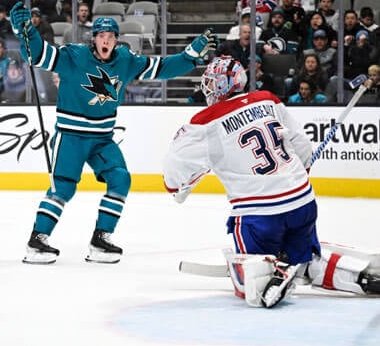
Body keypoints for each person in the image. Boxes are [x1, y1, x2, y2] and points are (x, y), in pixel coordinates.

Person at [162, 56, 380, 309]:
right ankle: (354, 276)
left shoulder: (204, 121)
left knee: (250, 286)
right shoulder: (267, 99)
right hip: (303, 204)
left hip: (259, 217)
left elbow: (173, 170)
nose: (208, 89)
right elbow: (301, 144)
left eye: (211, 83)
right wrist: (296, 176)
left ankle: (275, 272)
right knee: (305, 258)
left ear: (222, 85)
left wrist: (177, 187)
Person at [9, 1, 218, 264]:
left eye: (110, 36)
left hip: (102, 138)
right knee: (63, 188)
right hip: (71, 136)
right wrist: (26, 31)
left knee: (120, 179)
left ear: (116, 39)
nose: (106, 40)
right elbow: (38, 55)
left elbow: (161, 67)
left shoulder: (125, 61)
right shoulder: (74, 57)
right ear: (94, 39)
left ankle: (101, 240)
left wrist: (190, 55)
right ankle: (37, 240)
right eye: (101, 36)